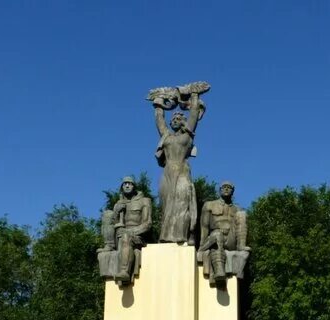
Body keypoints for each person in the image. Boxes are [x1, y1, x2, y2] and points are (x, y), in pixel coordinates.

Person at [153, 90, 203, 244]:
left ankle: (181, 236)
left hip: (182, 171)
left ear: (183, 121)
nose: (173, 120)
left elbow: (194, 115)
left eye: (177, 118)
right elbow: (160, 121)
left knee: (182, 204)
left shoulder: (187, 136)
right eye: (172, 118)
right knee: (167, 205)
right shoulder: (166, 137)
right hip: (167, 172)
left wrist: (194, 95)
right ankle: (166, 236)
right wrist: (158, 105)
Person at [99, 176, 152, 284]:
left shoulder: (144, 201)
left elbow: (147, 224)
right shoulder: (118, 203)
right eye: (124, 184)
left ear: (134, 186)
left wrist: (129, 232)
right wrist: (116, 213)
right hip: (119, 236)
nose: (127, 185)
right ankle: (109, 244)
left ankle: (124, 271)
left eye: (129, 183)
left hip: (137, 237)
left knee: (126, 237)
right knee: (107, 214)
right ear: (122, 187)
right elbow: (113, 224)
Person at [198, 181, 250, 282]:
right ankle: (219, 271)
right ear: (220, 190)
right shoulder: (209, 205)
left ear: (233, 191)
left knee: (242, 214)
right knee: (217, 234)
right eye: (224, 187)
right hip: (215, 238)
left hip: (230, 240)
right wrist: (202, 246)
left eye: (229, 187)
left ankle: (241, 245)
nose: (226, 189)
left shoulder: (237, 208)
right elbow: (204, 227)